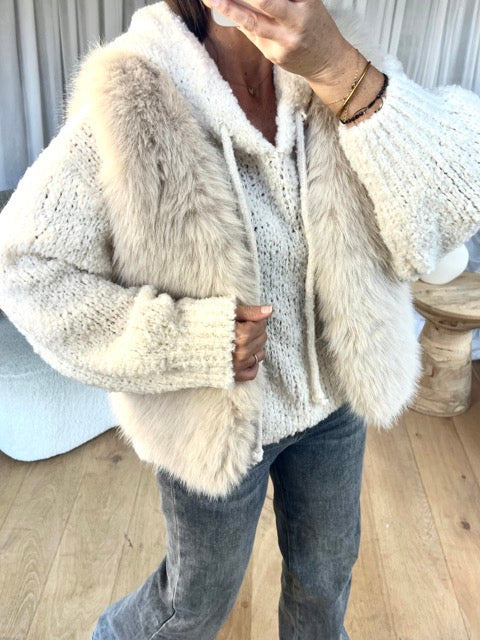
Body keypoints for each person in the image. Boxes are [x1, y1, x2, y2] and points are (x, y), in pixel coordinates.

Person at [0, 0, 479, 638]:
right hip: (215, 419)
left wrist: (339, 70)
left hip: (333, 404)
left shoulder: (346, 57)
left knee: (326, 579)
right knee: (194, 604)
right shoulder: (132, 95)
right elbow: (25, 268)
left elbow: (456, 206)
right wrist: (187, 341)